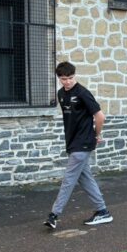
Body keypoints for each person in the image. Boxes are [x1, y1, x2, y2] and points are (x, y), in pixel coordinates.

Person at [44, 62, 113, 230]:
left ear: (74, 76)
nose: (67, 81)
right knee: (85, 177)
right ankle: (102, 211)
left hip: (83, 143)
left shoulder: (82, 93)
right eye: (63, 79)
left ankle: (54, 215)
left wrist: (96, 135)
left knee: (69, 179)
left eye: (70, 78)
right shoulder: (61, 94)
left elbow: (100, 116)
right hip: (72, 142)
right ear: (59, 78)